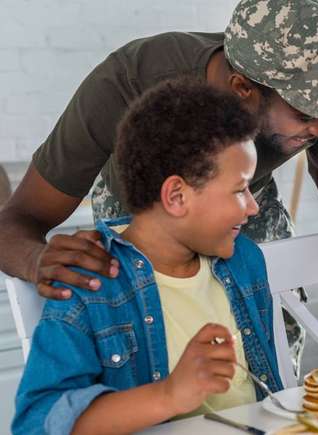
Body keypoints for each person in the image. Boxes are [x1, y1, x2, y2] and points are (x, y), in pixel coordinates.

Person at [0, 0, 318, 369]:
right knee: (159, 341)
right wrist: (37, 258)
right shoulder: (125, 86)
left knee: (273, 328)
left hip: (254, 194)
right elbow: (17, 220)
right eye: (306, 113)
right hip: (138, 206)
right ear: (243, 89)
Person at [13, 79, 284, 434]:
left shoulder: (243, 260)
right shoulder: (90, 282)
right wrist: (170, 394)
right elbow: (36, 424)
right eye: (239, 189)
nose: (252, 207)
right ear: (176, 196)